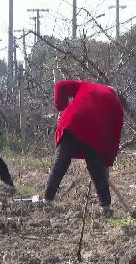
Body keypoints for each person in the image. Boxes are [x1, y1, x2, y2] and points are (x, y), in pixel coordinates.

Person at [44, 80, 124, 218]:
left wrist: (62, 107)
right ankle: (106, 207)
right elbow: (115, 137)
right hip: (95, 135)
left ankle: (47, 199)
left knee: (61, 164)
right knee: (97, 171)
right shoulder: (117, 106)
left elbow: (60, 85)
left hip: (71, 124)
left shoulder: (87, 85)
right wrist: (107, 160)